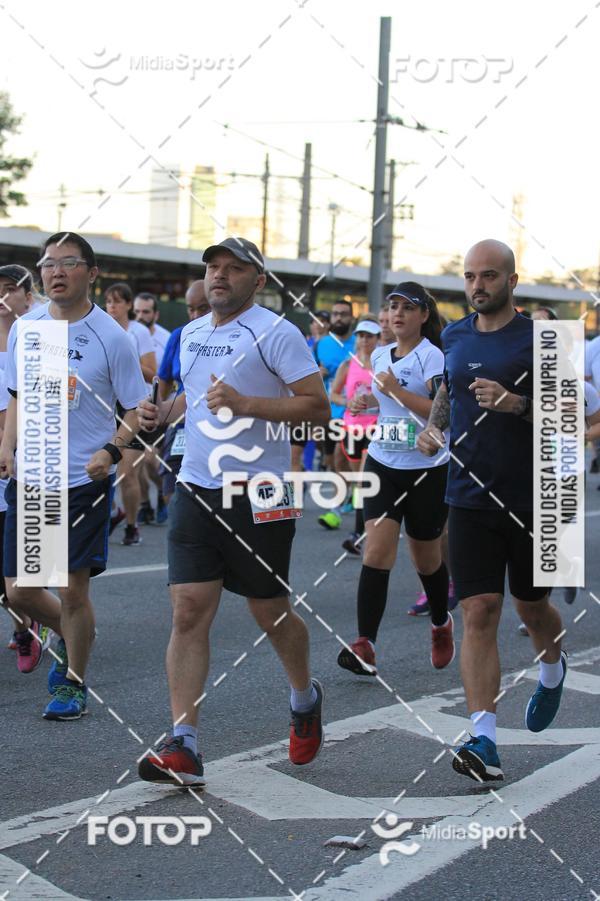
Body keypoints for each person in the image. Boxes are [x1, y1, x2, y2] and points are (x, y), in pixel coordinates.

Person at [136, 237, 330, 786]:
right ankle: (185, 745)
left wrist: (247, 404)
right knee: (188, 613)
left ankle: (303, 696)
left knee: (269, 612)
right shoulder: (192, 333)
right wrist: (159, 412)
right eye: (213, 268)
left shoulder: (277, 333)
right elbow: (192, 401)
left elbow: (317, 411)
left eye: (233, 268)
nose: (219, 276)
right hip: (197, 487)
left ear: (258, 280)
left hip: (264, 491)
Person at [418, 239, 567, 782]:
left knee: (533, 610)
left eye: (488, 276)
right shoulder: (453, 336)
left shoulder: (544, 338)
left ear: (511, 279)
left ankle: (551, 665)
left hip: (534, 499)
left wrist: (516, 403)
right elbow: (448, 394)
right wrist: (434, 428)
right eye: (469, 277)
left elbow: (569, 419)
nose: (477, 286)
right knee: (478, 612)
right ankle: (483, 738)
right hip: (468, 496)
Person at [0, 232, 147, 719]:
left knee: (71, 589)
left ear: (91, 272)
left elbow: (137, 410)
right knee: (18, 589)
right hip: (32, 474)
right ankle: (72, 632)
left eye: (68, 262)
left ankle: (75, 684)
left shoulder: (112, 337)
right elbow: (18, 394)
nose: (56, 271)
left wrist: (112, 449)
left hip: (83, 479)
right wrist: (6, 446)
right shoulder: (28, 326)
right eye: (48, 264)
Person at [337, 282, 454, 678]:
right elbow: (380, 397)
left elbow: (441, 410)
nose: (397, 314)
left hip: (426, 469)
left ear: (423, 315)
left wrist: (396, 392)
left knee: (426, 558)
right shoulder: (381, 353)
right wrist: (365, 400)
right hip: (383, 463)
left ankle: (440, 622)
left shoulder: (432, 357)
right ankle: (365, 644)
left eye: (407, 307)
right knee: (376, 551)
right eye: (392, 307)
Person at [0, 265, 37, 651]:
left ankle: (49, 628)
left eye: (10, 289)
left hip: (39, 464)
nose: (2, 298)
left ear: (28, 295)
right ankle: (25, 626)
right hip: (9, 457)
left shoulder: (39, 337)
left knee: (39, 566)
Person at [105, 283, 157, 543]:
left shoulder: (138, 332)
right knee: (102, 468)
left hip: (136, 405)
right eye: (108, 302)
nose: (112, 306)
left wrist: (127, 359)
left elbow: (153, 372)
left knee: (127, 472)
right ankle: (115, 511)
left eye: (117, 301)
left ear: (128, 305)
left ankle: (132, 525)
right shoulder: (102, 329)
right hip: (108, 406)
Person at [329, 316, 381, 555]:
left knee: (363, 480)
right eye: (361, 335)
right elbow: (334, 394)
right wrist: (347, 403)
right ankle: (372, 525)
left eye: (369, 336)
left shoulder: (382, 365)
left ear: (378, 339)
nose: (364, 340)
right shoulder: (348, 365)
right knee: (362, 483)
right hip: (351, 428)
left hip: (375, 428)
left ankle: (359, 534)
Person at [157, 280, 210, 505]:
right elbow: (164, 381)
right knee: (171, 487)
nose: (195, 314)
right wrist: (155, 410)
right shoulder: (179, 336)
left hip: (216, 429)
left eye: (203, 308)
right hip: (180, 425)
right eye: (191, 308)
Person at [314, 299, 355, 529]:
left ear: (351, 318)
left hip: (355, 414)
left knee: (342, 457)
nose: (339, 318)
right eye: (336, 314)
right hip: (329, 411)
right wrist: (319, 373)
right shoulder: (322, 344)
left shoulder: (360, 342)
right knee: (331, 460)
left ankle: (337, 509)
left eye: (344, 314)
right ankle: (351, 492)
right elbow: (310, 373)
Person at [133, 292, 172, 525]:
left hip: (160, 408)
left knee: (149, 460)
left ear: (155, 314)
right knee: (133, 465)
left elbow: (168, 377)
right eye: (137, 311)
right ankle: (144, 505)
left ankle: (162, 490)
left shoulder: (166, 339)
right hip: (132, 407)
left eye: (146, 312)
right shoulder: (127, 335)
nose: (140, 316)